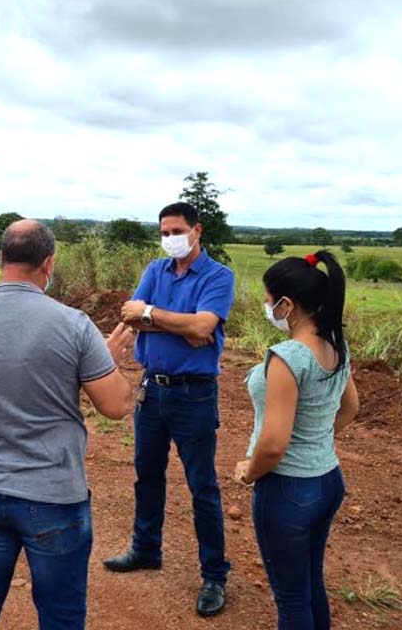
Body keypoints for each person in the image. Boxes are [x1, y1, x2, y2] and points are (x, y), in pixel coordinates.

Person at [0, 219, 136, 630]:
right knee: (61, 612)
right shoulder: (73, 325)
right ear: (49, 262)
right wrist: (107, 361)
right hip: (52, 494)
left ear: (1, 258)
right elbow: (116, 405)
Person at [103, 202, 235, 618]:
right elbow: (130, 316)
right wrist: (179, 323)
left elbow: (202, 328)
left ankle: (214, 575)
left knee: (202, 486)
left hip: (194, 394)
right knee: (147, 475)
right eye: (164, 232)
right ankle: (146, 549)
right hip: (152, 390)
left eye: (176, 230)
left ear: (197, 230)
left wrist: (152, 316)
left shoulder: (218, 276)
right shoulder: (155, 270)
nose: (170, 238)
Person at [233, 251, 359, 630]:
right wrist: (316, 443)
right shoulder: (335, 346)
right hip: (327, 481)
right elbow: (351, 408)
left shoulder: (287, 357)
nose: (267, 307)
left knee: (291, 601)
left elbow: (274, 444)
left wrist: (250, 471)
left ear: (287, 305)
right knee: (309, 582)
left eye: (268, 300)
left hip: (287, 490)